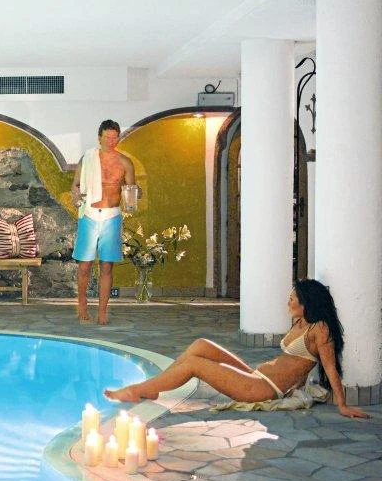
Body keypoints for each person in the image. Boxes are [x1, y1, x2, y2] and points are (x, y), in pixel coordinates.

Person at [104, 279, 369, 419]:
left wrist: (343, 405)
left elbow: (330, 368)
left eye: (292, 299)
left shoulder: (319, 330)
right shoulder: (301, 321)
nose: (287, 302)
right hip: (257, 377)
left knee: (194, 365)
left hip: (261, 390)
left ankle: (139, 390)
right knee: (201, 345)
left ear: (306, 303)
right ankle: (153, 387)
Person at [70, 120, 138, 325]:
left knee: (107, 266)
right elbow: (75, 185)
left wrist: (135, 193)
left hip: (112, 215)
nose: (111, 141)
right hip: (90, 214)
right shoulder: (87, 159)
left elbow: (133, 189)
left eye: (115, 137)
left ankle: (102, 311)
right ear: (99, 137)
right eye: (107, 137)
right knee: (84, 265)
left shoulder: (125, 162)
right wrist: (75, 195)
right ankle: (82, 305)